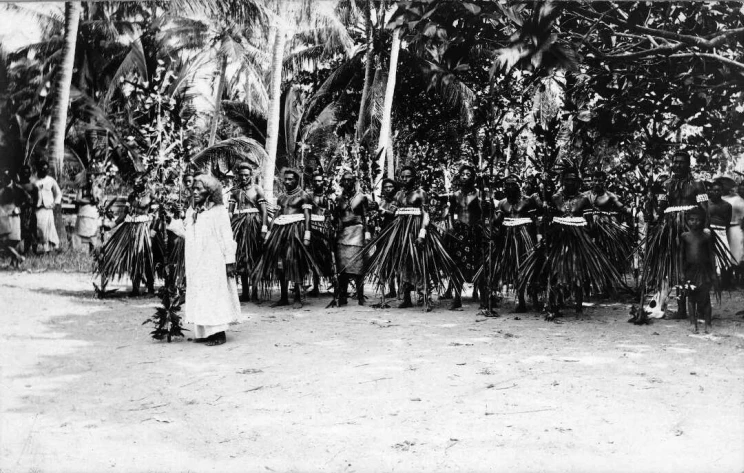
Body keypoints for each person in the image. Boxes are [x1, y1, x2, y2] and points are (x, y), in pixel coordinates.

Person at [519, 167, 622, 320]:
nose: (570, 183)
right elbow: (548, 218)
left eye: (573, 180)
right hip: (558, 237)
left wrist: (590, 239)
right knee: (553, 269)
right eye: (567, 179)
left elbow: (589, 223)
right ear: (563, 181)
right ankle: (554, 302)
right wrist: (546, 217)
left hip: (578, 238)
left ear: (578, 182)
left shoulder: (584, 199)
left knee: (577, 270)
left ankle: (578, 305)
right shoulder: (555, 198)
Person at [362, 166, 463, 311]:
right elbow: (392, 211)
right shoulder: (399, 195)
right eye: (402, 176)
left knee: (420, 263)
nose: (404, 179)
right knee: (402, 264)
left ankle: (425, 297)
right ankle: (406, 298)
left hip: (417, 231)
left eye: (407, 176)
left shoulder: (421, 193)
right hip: (401, 232)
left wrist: (422, 234)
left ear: (414, 177)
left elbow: (426, 215)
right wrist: (377, 209)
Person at [634, 150, 711, 323]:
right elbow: (661, 209)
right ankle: (681, 308)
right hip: (670, 229)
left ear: (688, 164)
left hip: (692, 228)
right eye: (675, 162)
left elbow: (705, 208)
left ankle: (700, 305)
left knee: (693, 265)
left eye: (681, 162)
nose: (677, 165)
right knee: (675, 268)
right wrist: (651, 200)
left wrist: (705, 232)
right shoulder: (666, 184)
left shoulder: (698, 184)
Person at [167, 174, 240, 346]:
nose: (195, 192)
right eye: (194, 188)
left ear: (210, 191)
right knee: (200, 293)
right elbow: (188, 234)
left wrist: (229, 261)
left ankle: (219, 333)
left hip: (214, 260)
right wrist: (169, 221)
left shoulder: (219, 211)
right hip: (196, 260)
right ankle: (205, 332)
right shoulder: (193, 211)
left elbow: (226, 237)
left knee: (213, 294)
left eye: (199, 189)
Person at [252, 168, 329, 308]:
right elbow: (277, 214)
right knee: (280, 263)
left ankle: (298, 297)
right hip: (280, 231)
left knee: (295, 262)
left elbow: (307, 216)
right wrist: (269, 231)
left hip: (296, 231)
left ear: (296, 180)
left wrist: (307, 234)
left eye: (290, 179)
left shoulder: (304, 196)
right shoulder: (281, 197)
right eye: (285, 179)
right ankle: (283, 297)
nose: (287, 181)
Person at [484, 174, 541, 312]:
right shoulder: (502, 203)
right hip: (507, 238)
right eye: (507, 185)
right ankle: (520, 299)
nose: (510, 187)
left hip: (525, 237)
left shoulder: (528, 201)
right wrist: (490, 209)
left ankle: (534, 298)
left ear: (518, 185)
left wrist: (538, 236)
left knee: (528, 268)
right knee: (514, 268)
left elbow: (537, 220)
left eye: (513, 184)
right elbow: (496, 222)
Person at [97, 175, 156, 295]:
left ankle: (150, 287)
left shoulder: (151, 196)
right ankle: (135, 288)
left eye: (138, 183)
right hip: (129, 229)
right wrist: (111, 225)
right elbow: (124, 214)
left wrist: (153, 230)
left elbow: (155, 215)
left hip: (144, 229)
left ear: (144, 183)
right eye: (134, 183)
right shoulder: (131, 196)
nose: (135, 185)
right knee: (133, 257)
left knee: (146, 257)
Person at [441, 164, 485, 310]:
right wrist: (451, 226)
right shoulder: (455, 195)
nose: (465, 177)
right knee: (457, 264)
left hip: (476, 232)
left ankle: (483, 298)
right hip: (459, 233)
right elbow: (450, 213)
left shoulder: (479, 193)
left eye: (468, 174)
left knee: (480, 263)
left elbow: (486, 212)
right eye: (463, 174)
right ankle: (457, 299)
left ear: (473, 177)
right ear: (459, 177)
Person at [229, 162, 268, 302]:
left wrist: (264, 229)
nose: (244, 178)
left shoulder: (257, 189)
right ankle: (245, 293)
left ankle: (255, 292)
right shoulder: (235, 191)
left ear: (251, 175)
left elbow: (264, 211)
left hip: (254, 226)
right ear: (238, 176)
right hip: (239, 226)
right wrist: (229, 229)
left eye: (246, 175)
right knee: (241, 259)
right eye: (241, 175)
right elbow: (230, 212)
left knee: (254, 258)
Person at [583, 170, 634, 275]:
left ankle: (610, 272)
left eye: (600, 181)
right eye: (595, 180)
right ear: (592, 181)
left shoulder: (610, 195)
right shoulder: (585, 195)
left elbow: (622, 207)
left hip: (605, 226)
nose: (597, 183)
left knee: (608, 249)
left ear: (604, 182)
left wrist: (632, 210)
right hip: (587, 225)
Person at [332, 172, 372, 306]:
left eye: (350, 180)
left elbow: (366, 216)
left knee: (359, 266)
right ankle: (343, 296)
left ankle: (360, 296)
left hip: (358, 232)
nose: (347, 183)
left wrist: (367, 233)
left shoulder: (361, 197)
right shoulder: (338, 199)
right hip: (343, 234)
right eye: (345, 180)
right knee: (342, 267)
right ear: (342, 182)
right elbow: (336, 218)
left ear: (354, 182)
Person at [680, 207, 717, 333]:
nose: (694, 222)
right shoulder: (684, 237)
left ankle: (708, 323)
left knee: (705, 298)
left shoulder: (706, 237)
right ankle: (692, 322)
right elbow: (681, 256)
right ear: (687, 220)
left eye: (697, 220)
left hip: (703, 271)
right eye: (691, 219)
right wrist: (681, 272)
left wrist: (713, 272)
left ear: (703, 221)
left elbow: (711, 255)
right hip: (690, 270)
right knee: (691, 298)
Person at [308, 170, 333, 297]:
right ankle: (315, 286)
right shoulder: (309, 196)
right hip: (312, 227)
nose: (317, 183)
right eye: (315, 181)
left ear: (323, 182)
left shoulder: (328, 197)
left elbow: (331, 214)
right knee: (313, 256)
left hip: (324, 229)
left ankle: (334, 283)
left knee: (326, 256)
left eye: (319, 180)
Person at [708, 180, 736, 280]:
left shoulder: (727, 205)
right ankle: (710, 279)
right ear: (711, 191)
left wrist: (722, 232)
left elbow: (727, 222)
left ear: (722, 191)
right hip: (708, 232)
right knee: (708, 255)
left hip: (721, 232)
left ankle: (725, 281)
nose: (716, 193)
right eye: (714, 190)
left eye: (718, 190)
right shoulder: (706, 204)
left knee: (724, 256)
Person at [34, 160, 62, 253]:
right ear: (38, 169)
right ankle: (41, 247)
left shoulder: (50, 180)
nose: (44, 171)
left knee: (49, 228)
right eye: (42, 169)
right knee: (40, 228)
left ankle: (51, 247)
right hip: (37, 208)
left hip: (48, 209)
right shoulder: (33, 180)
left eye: (46, 169)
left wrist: (55, 203)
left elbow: (58, 193)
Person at [73, 171, 102, 253]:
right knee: (80, 232)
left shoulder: (98, 188)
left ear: (94, 178)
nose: (90, 178)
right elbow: (78, 199)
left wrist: (93, 190)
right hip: (83, 212)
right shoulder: (82, 188)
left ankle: (92, 251)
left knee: (92, 232)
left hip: (92, 213)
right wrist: (89, 201)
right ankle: (78, 251)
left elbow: (96, 200)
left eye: (91, 177)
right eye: (88, 176)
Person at [0, 170, 24, 266]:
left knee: (15, 240)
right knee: (4, 240)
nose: (5, 178)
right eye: (3, 177)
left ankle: (15, 263)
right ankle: (18, 257)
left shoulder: (18, 189)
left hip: (15, 217)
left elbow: (27, 200)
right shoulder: (1, 190)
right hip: (3, 218)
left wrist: (19, 208)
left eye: (7, 176)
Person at [722, 180, 744, 272]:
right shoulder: (721, 198)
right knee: (725, 253)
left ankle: (736, 277)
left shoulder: (739, 200)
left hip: (735, 229)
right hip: (723, 229)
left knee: (736, 254)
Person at [16, 165, 37, 254]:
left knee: (31, 231)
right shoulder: (16, 186)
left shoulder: (33, 186)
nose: (25, 174)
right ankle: (19, 249)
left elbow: (36, 200)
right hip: (18, 211)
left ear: (30, 174)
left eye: (27, 172)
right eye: (23, 172)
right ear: (20, 174)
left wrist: (30, 206)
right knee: (19, 230)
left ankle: (32, 250)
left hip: (30, 211)